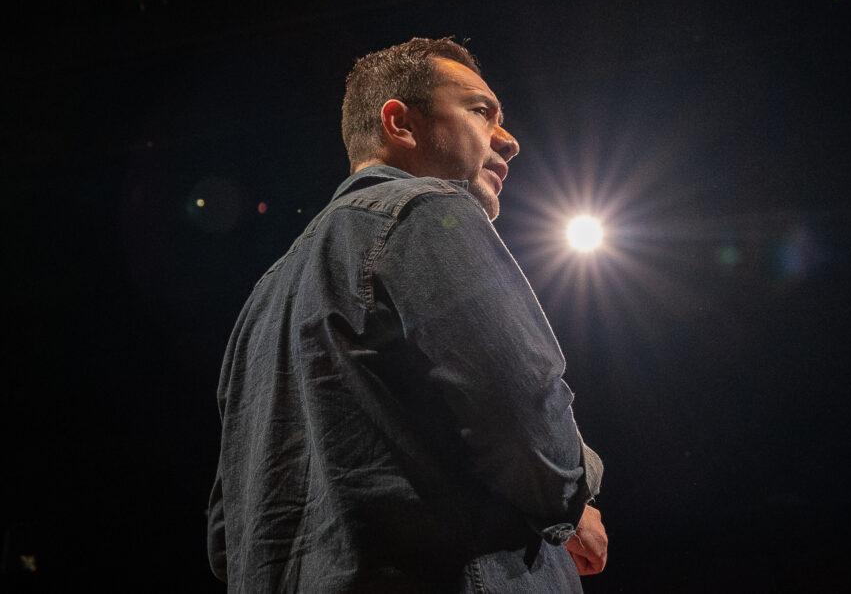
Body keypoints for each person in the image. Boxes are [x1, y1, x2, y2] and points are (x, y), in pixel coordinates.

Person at [207, 37, 607, 592]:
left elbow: (228, 532)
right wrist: (572, 496)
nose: (510, 141)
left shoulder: (259, 305)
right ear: (399, 123)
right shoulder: (428, 208)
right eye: (480, 111)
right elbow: (520, 407)